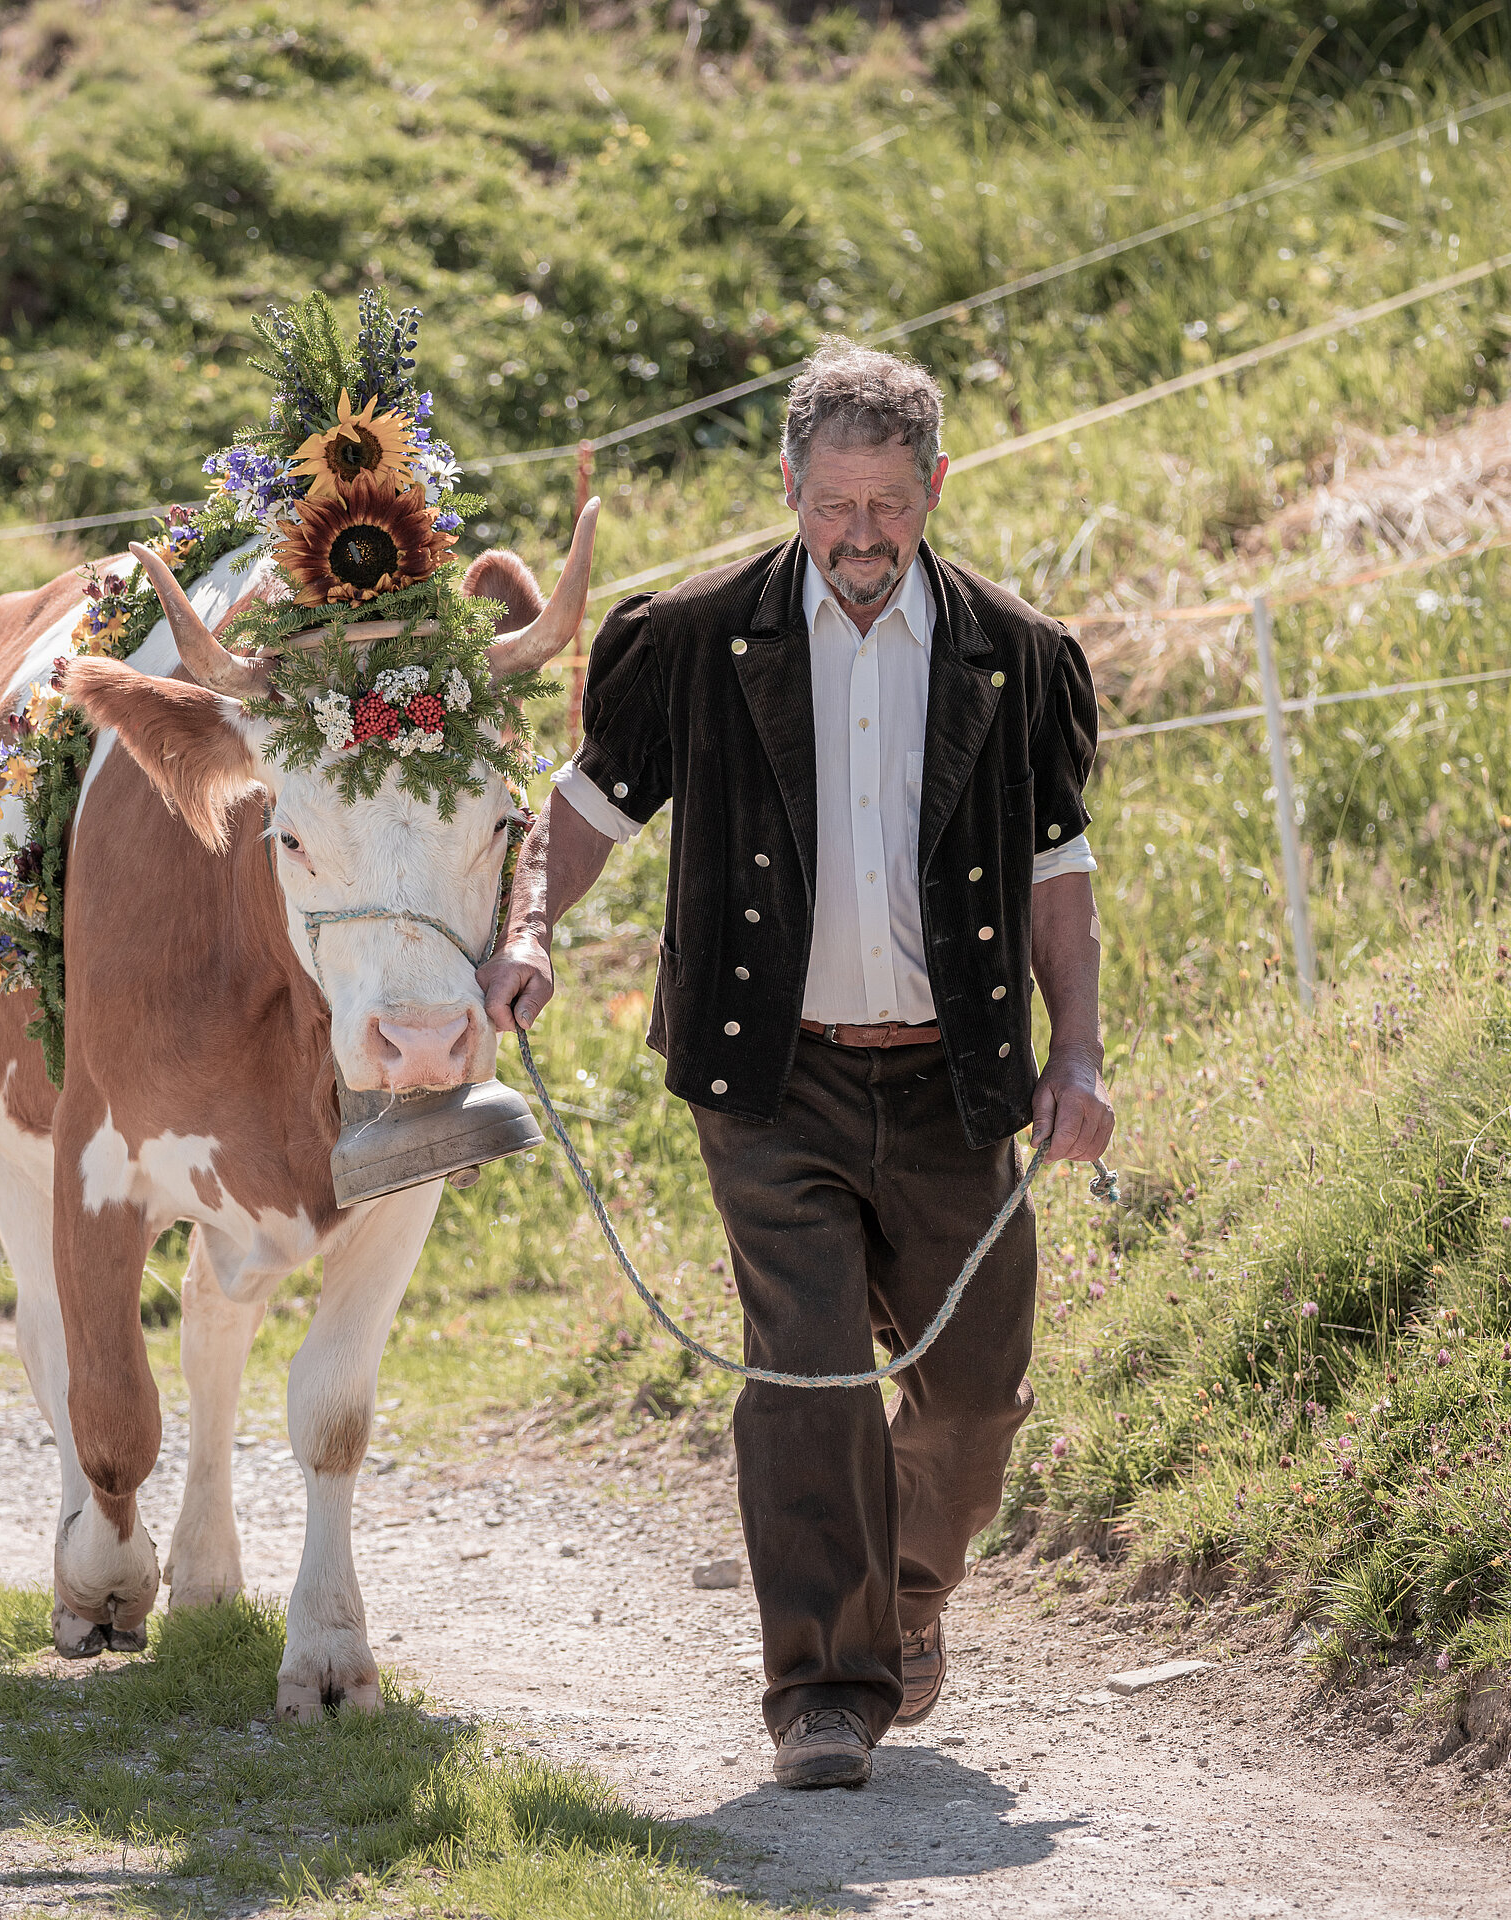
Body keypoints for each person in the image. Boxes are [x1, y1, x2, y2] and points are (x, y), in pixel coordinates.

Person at [477, 340, 1115, 1791]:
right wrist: (524, 934)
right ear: (789, 488)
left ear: (934, 488)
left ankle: (900, 1603)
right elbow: (581, 810)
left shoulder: (1014, 656)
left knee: (978, 1392)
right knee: (810, 1371)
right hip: (772, 1076)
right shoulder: (698, 639)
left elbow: (1057, 866)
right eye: (836, 505)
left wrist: (1074, 1052)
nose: (863, 536)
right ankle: (823, 1690)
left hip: (956, 1081)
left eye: (891, 504)